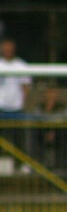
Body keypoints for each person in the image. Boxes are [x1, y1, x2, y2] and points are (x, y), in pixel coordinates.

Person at [0, 38, 33, 173]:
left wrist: (22, 102)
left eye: (10, 48)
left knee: (20, 139)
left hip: (17, 108)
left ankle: (22, 164)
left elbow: (26, 86)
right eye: (5, 48)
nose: (8, 50)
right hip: (1, 108)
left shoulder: (21, 65)